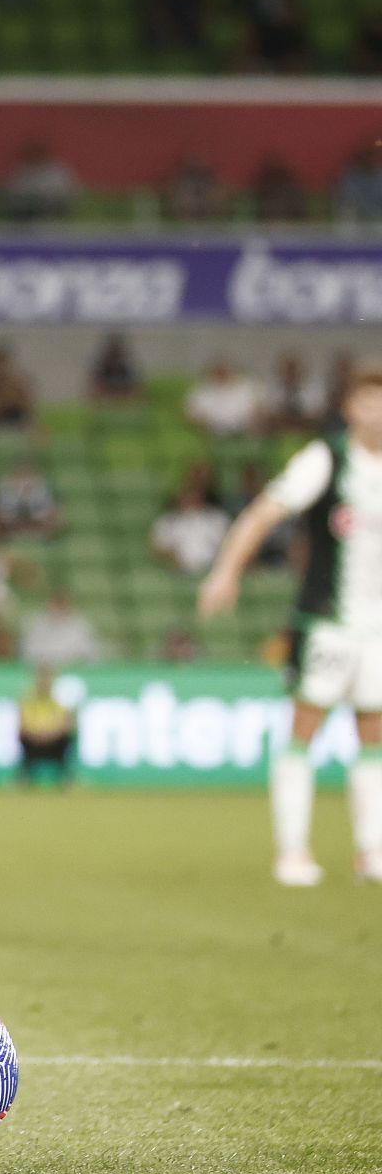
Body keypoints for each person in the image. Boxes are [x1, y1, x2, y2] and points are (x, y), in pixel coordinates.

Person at [199, 364, 382, 887]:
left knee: (374, 735)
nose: (378, 411)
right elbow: (263, 513)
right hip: (327, 623)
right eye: (369, 400)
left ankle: (370, 851)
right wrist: (225, 573)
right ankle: (293, 852)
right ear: (350, 408)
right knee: (305, 731)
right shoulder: (326, 458)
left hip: (379, 629)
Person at [16, 665, 75, 787]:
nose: (44, 684)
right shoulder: (28, 702)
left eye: (47, 680)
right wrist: (38, 736)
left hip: (55, 742)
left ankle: (65, 779)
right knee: (21, 737)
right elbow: (23, 725)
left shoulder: (59, 702)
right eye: (41, 680)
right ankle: (24, 778)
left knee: (68, 738)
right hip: (32, 742)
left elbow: (65, 724)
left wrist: (49, 735)